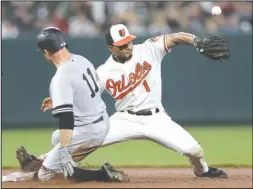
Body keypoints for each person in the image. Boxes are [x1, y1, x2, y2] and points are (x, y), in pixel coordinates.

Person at [14, 24, 229, 179]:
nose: (128, 46)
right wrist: (59, 99)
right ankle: (40, 161)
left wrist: (196, 41)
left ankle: (203, 171)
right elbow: (84, 90)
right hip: (124, 119)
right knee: (87, 137)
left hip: (157, 118)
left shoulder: (148, 49)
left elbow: (176, 37)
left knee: (194, 151)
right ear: (111, 48)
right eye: (122, 44)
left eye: (129, 41)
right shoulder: (104, 72)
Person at [3, 27, 129, 183]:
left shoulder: (61, 77)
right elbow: (89, 91)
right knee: (57, 138)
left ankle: (103, 174)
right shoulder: (82, 60)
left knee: (45, 174)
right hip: (101, 121)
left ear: (46, 52)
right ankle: (34, 162)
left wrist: (64, 151)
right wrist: (59, 99)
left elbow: (66, 119)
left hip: (88, 132)